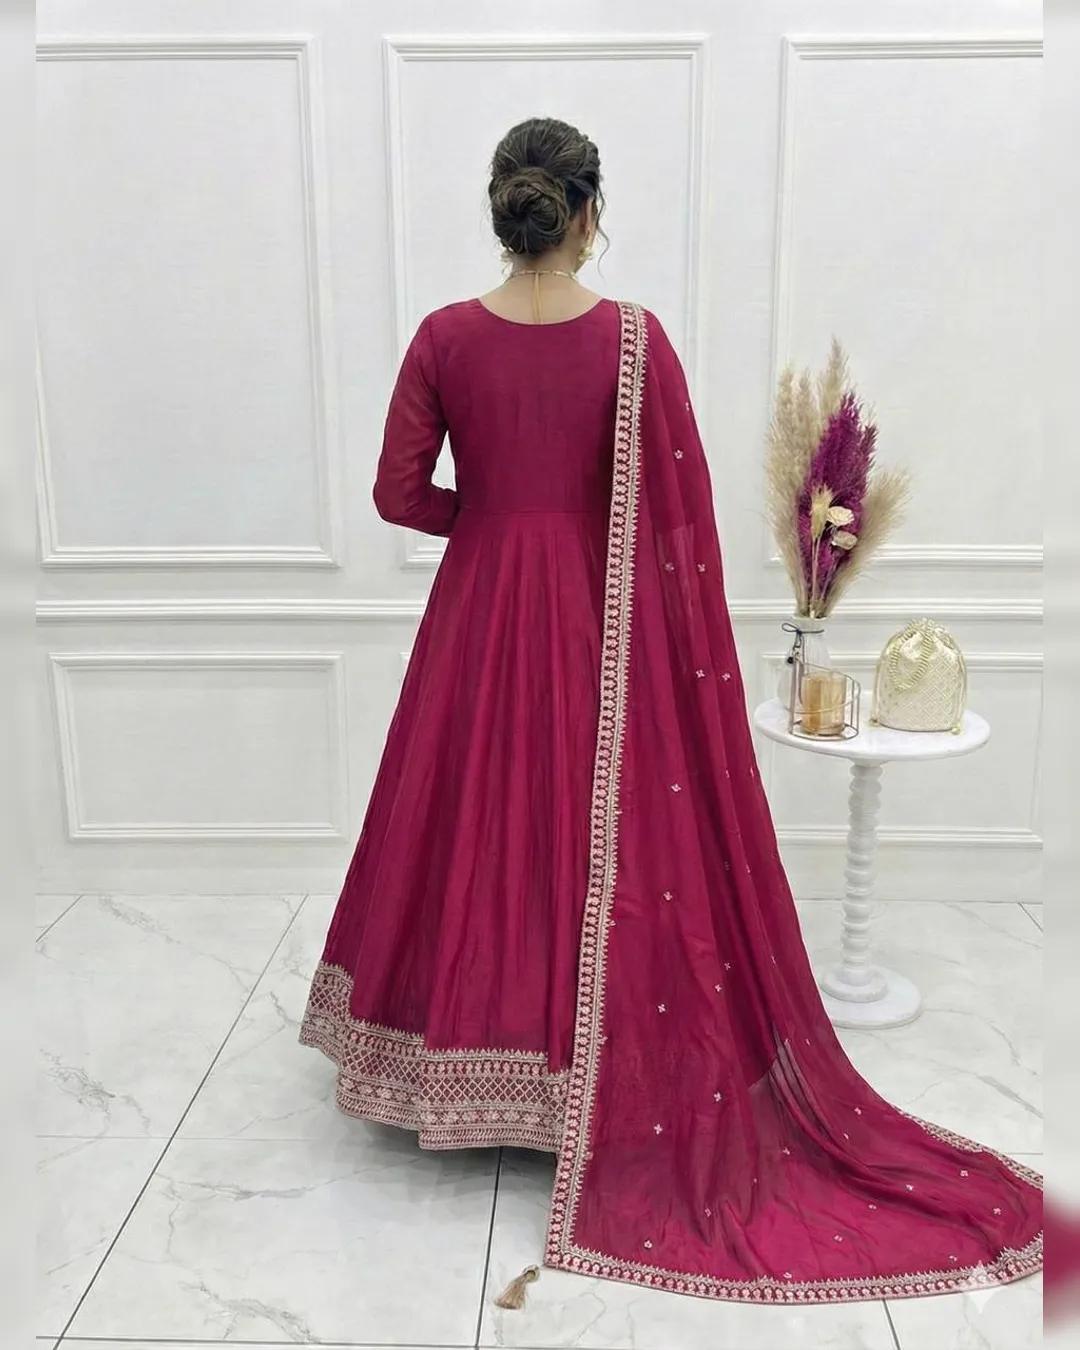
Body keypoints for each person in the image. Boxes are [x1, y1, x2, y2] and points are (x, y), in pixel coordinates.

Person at [300, 116, 1042, 1305]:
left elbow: (398, 494)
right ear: (590, 212)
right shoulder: (633, 342)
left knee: (472, 811)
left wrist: (486, 524)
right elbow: (674, 519)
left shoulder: (442, 336)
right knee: (589, 826)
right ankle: (572, 1071)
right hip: (594, 623)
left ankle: (451, 1064)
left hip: (477, 610)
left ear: (504, 211)